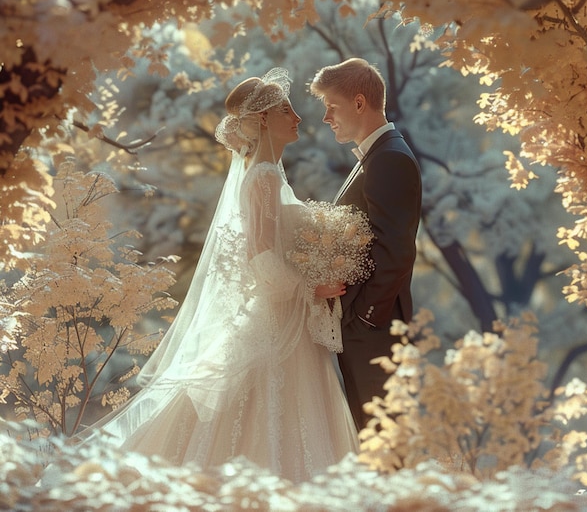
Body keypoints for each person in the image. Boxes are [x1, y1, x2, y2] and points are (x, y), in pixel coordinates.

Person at [77, 68, 359, 483]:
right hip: (279, 317)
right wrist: (311, 286)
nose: (298, 117)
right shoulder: (261, 177)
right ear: (264, 120)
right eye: (287, 109)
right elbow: (259, 258)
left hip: (285, 317)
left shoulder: (268, 173)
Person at [310, 57, 422, 430]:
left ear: (359, 103)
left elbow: (397, 251)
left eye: (331, 106)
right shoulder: (376, 156)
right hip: (365, 330)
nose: (326, 117)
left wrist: (363, 316)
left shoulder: (389, 158)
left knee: (384, 441)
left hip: (375, 331)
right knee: (372, 439)